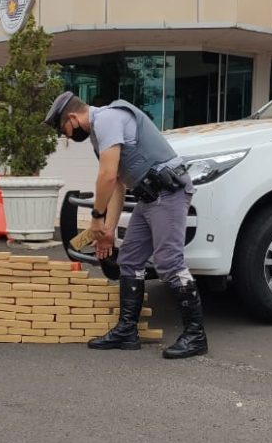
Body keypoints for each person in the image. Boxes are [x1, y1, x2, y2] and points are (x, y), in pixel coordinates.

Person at [44, 91, 208, 359]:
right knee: (130, 260)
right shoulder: (98, 136)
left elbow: (107, 177)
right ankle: (127, 331)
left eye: (64, 129)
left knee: (169, 262)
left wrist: (96, 217)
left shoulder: (108, 119)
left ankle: (196, 335)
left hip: (168, 193)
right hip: (147, 197)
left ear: (72, 117)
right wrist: (107, 230)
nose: (67, 136)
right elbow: (119, 183)